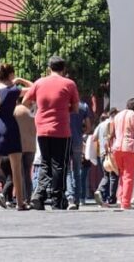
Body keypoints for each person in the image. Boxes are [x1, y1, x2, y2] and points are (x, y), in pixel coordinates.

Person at [24, 55, 80, 210]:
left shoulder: (39, 83)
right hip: (61, 129)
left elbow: (25, 102)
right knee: (59, 165)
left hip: (42, 128)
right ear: (64, 69)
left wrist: (39, 110)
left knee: (45, 163)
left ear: (49, 68)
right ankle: (57, 199)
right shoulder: (69, 84)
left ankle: (39, 195)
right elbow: (75, 108)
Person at [0, 63, 31, 211]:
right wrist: (20, 80)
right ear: (10, 75)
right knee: (16, 167)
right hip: (10, 127)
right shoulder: (13, 90)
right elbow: (35, 88)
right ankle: (20, 202)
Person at [110, 98, 134, 210]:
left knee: (122, 174)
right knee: (129, 176)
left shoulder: (117, 116)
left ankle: (120, 198)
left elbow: (112, 133)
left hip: (117, 148)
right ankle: (125, 203)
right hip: (130, 148)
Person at [66, 97, 90, 209]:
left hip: (65, 139)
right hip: (77, 140)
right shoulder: (83, 106)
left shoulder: (64, 104)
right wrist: (80, 132)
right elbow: (88, 127)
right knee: (77, 170)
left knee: (67, 170)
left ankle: (70, 197)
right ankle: (78, 199)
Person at [93, 108, 118, 206]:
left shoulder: (101, 124)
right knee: (113, 176)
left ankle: (101, 193)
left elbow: (94, 138)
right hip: (111, 153)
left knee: (106, 175)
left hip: (102, 154)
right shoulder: (114, 124)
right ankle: (111, 198)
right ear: (114, 114)